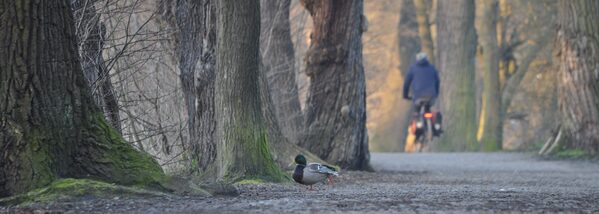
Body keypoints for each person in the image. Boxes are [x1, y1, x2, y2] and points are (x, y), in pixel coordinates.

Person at [403, 52, 442, 137]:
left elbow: (406, 83)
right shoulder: (432, 68)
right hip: (431, 96)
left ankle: (417, 128)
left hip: (418, 96)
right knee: (428, 109)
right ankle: (434, 128)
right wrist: (436, 93)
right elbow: (437, 82)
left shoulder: (412, 69)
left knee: (417, 110)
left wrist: (405, 95)